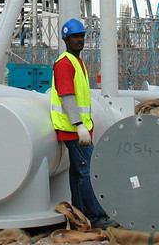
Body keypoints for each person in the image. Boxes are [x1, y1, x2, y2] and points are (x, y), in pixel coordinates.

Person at [50, 19, 117, 229]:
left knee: (79, 172)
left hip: (78, 130)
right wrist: (78, 125)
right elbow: (67, 95)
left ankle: (80, 212)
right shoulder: (65, 63)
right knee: (88, 171)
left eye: (82, 36)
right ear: (65, 39)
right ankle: (95, 215)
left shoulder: (77, 62)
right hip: (72, 130)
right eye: (75, 37)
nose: (79, 40)